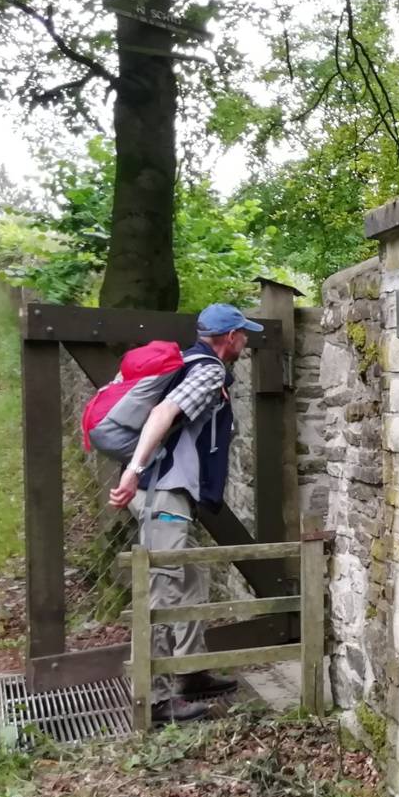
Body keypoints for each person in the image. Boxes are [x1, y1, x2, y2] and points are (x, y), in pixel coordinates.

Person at [109, 303, 261, 722]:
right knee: (161, 590)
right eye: (243, 334)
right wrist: (134, 473)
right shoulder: (209, 371)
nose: (246, 340)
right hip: (163, 493)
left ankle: (191, 673)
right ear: (229, 337)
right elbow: (162, 413)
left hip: (165, 493)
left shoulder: (192, 364)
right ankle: (155, 699)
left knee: (191, 577)